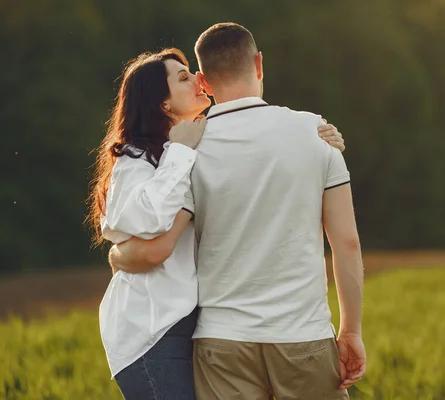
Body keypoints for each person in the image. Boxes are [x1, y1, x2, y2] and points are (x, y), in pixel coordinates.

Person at [110, 23, 366, 399]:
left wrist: (117, 254)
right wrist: (351, 332)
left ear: (204, 80)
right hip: (303, 334)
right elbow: (347, 243)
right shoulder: (315, 132)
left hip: (221, 342)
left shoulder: (188, 151)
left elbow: (158, 242)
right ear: (258, 64)